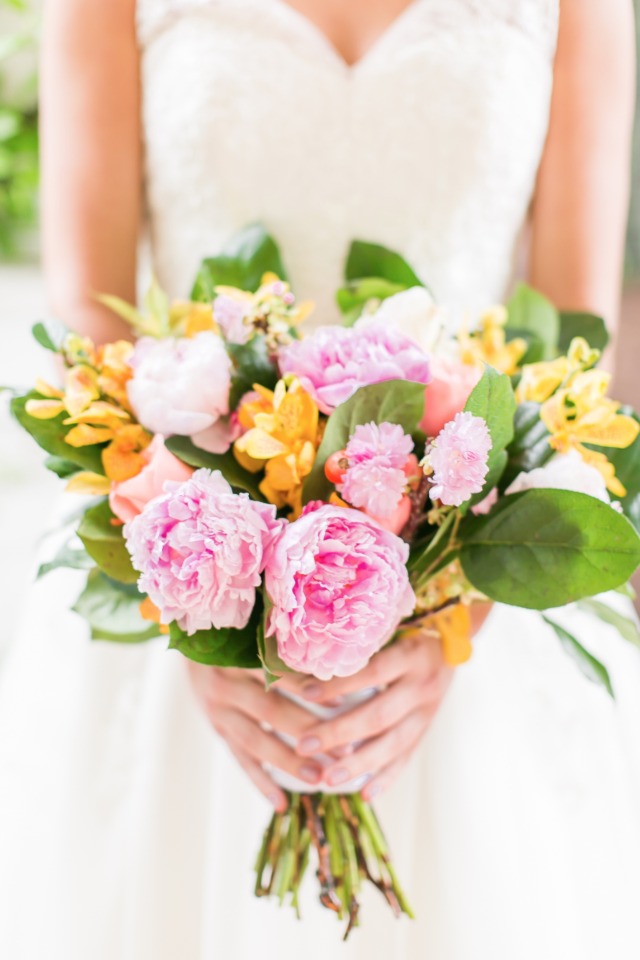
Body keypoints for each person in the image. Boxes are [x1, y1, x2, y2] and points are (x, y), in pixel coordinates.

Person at [1, 1, 639, 957]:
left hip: (461, 600)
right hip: (182, 578)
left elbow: (570, 349)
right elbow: (91, 337)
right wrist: (198, 615)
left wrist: (453, 621)